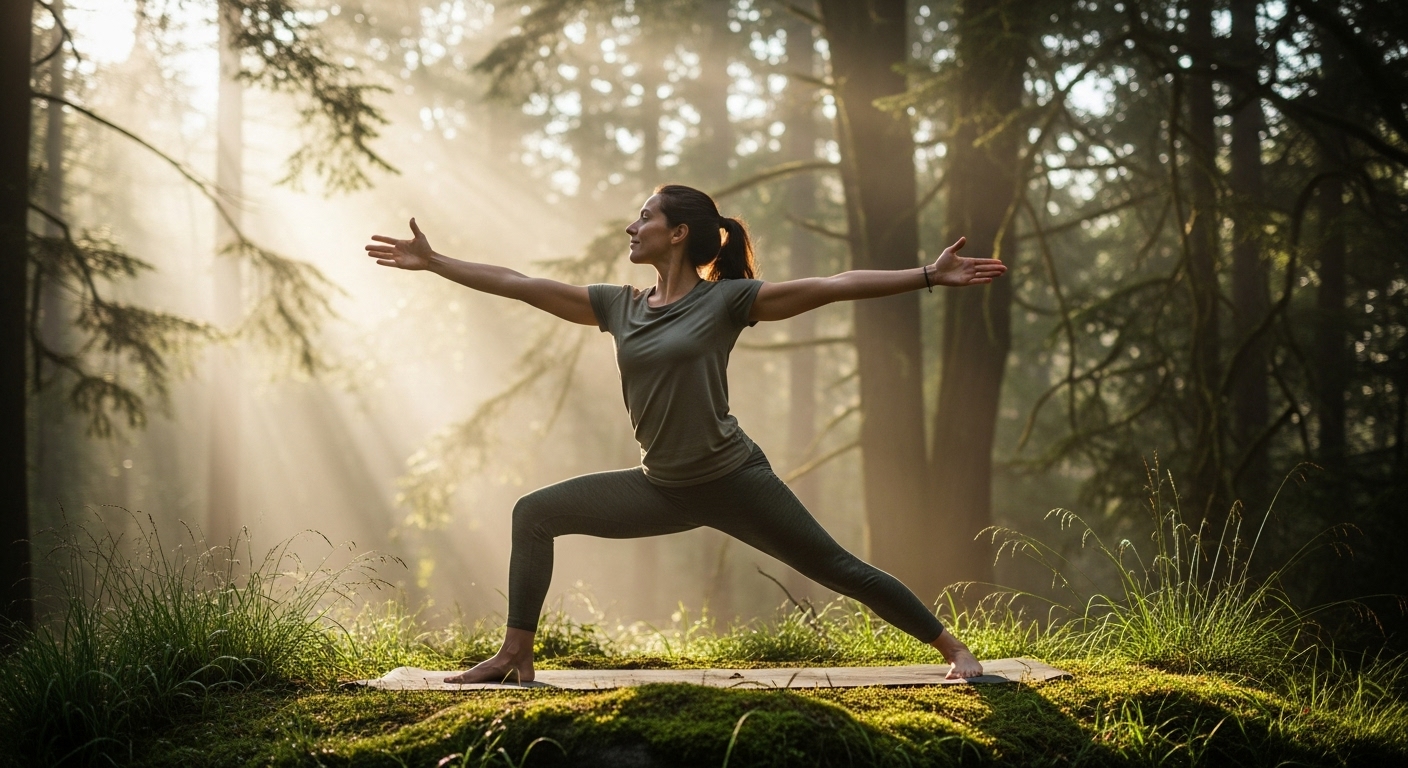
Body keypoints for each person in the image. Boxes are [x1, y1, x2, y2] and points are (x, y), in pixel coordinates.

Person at [364, 184, 1006, 683]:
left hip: (734, 479)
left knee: (837, 567)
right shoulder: (620, 306)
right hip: (662, 486)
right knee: (534, 513)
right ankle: (514, 656)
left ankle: (954, 648)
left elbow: (831, 286)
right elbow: (522, 285)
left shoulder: (726, 300)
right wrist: (437, 262)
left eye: (643, 217)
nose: (630, 227)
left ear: (678, 234)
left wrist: (927, 274)